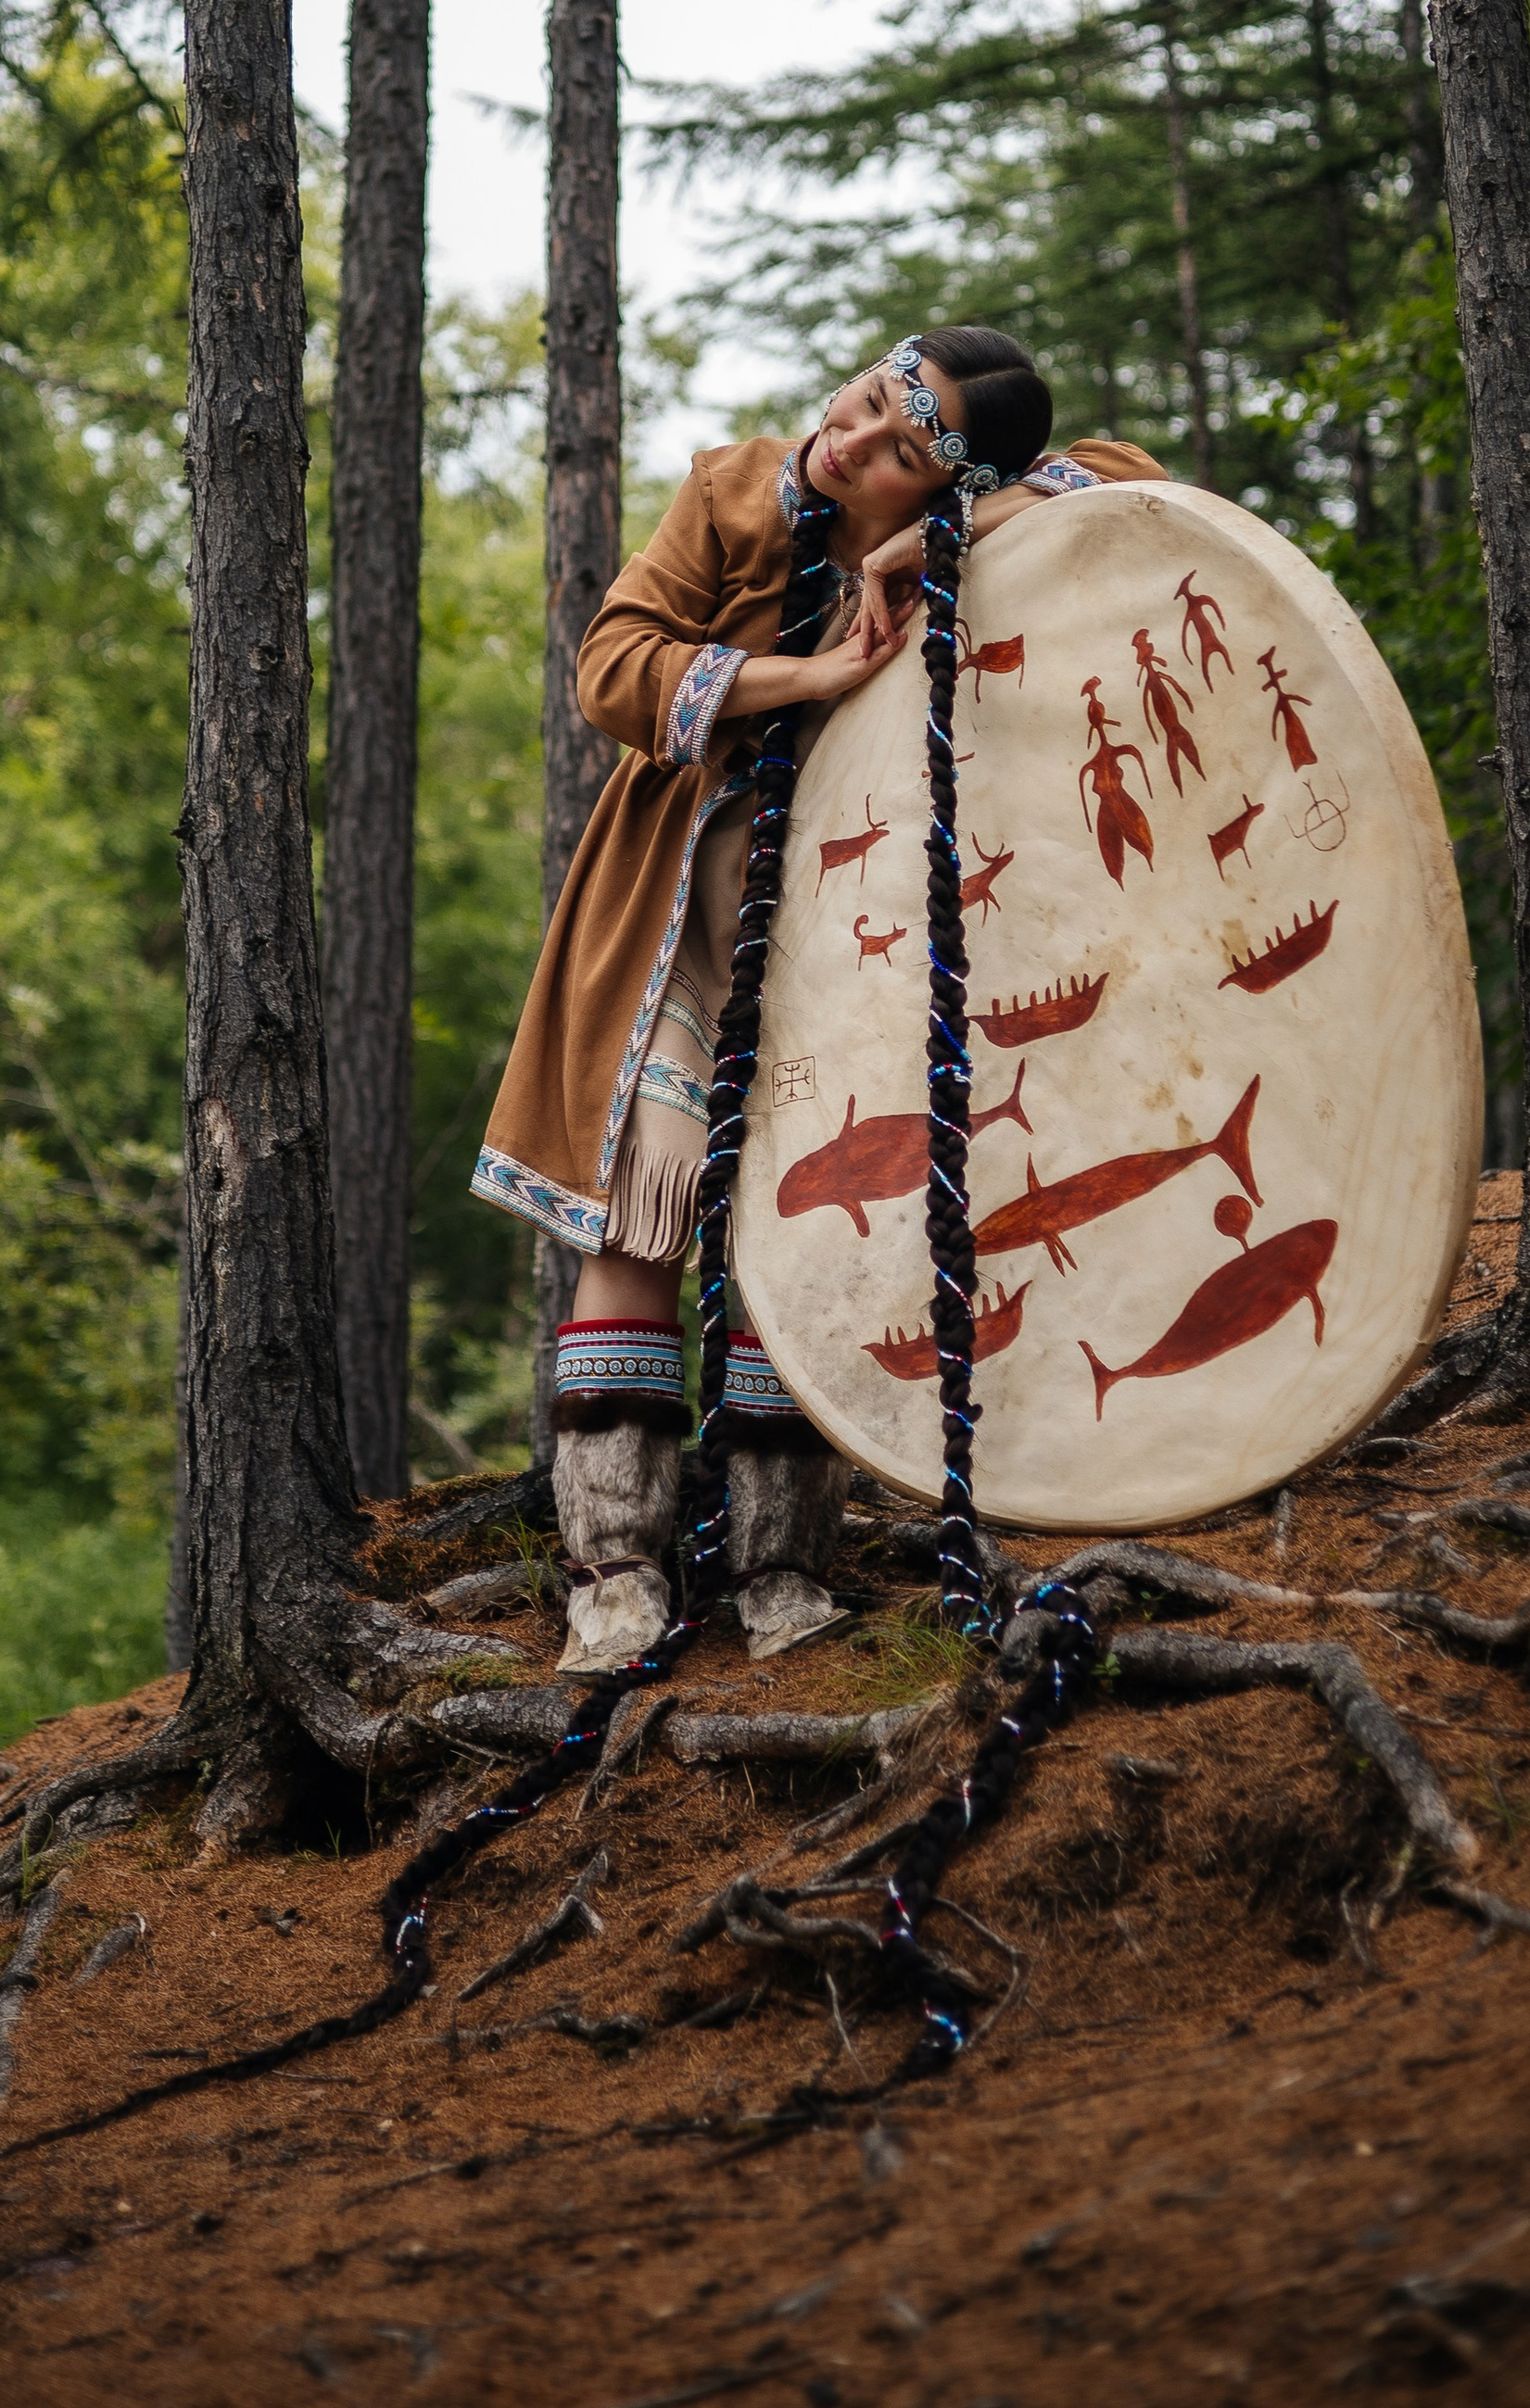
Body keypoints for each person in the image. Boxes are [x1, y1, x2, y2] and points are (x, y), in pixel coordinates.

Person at [471, 330, 1167, 1669]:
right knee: (641, 1225)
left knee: (804, 1245)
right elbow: (614, 668)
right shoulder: (735, 492)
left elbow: (1123, 478)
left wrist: (950, 534)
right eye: (860, 406)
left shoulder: (973, 529)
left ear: (942, 479)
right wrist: (812, 676)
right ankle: (613, 1573)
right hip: (680, 927)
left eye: (904, 450)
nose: (850, 443)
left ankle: (781, 1570)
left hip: (851, 961)